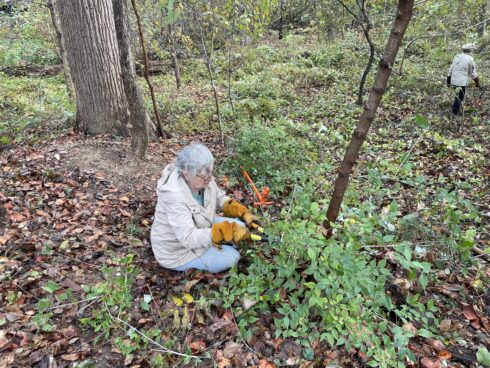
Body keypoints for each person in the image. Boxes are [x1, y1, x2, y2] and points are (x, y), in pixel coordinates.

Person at [150, 143, 260, 273]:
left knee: (239, 225)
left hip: (201, 224)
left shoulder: (203, 176)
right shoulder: (174, 197)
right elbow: (188, 238)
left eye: (211, 172)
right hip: (179, 252)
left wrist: (234, 207)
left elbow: (218, 196)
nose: (210, 178)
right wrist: (217, 233)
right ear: (186, 174)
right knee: (233, 257)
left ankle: (219, 242)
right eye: (204, 175)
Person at [447, 43, 481, 117]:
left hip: (454, 81)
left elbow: (450, 70)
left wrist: (448, 81)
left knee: (457, 96)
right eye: (472, 51)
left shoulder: (457, 56)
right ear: (470, 51)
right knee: (460, 98)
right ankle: (454, 113)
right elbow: (473, 73)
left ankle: (456, 111)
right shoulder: (470, 59)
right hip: (462, 82)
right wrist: (478, 83)